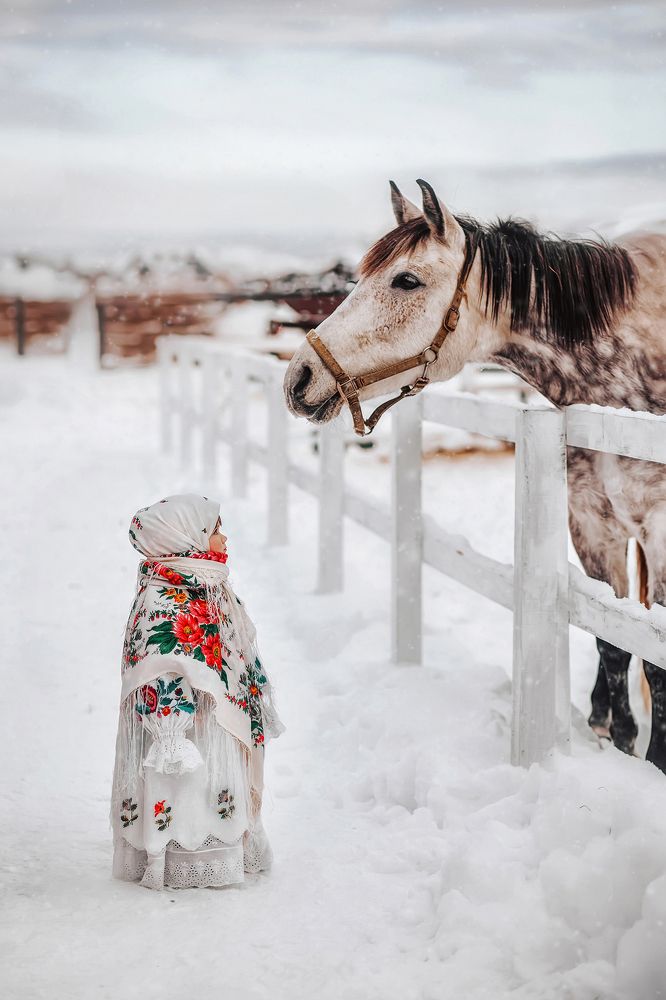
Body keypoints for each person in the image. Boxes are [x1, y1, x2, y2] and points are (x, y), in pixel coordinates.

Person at [111, 493, 283, 890]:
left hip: (211, 723)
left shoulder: (204, 585)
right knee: (186, 792)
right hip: (183, 734)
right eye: (214, 530)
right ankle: (180, 856)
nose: (224, 539)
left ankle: (218, 848)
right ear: (184, 537)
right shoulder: (163, 597)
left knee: (210, 793)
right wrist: (170, 733)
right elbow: (154, 663)